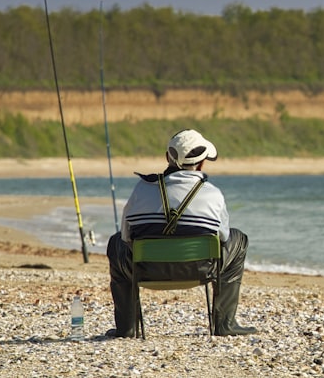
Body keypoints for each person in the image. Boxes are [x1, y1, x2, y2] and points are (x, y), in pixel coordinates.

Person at [106, 128, 257, 337]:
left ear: (168, 157)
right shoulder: (213, 194)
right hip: (202, 269)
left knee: (115, 242)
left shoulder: (141, 190)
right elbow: (223, 237)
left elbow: (125, 236)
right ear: (202, 163)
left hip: (145, 270)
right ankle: (225, 323)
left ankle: (127, 327)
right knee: (238, 238)